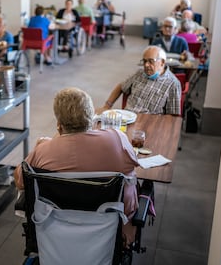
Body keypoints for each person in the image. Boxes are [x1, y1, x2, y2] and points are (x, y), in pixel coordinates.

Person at [14, 87, 139, 246]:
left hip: (56, 231)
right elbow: (132, 167)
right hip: (108, 232)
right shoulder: (117, 140)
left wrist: (46, 143)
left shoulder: (42, 151)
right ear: (92, 118)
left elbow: (20, 180)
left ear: (59, 124)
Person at [96, 45, 182, 116]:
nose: (146, 65)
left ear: (162, 62)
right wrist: (107, 106)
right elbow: (121, 87)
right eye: (144, 61)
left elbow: (173, 116)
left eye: (151, 61)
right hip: (127, 117)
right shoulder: (139, 74)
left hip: (149, 123)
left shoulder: (173, 84)